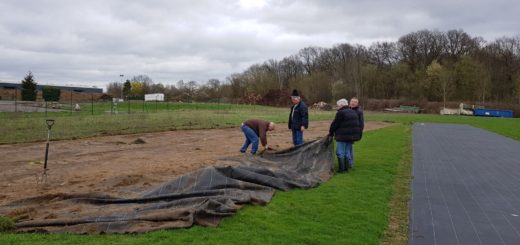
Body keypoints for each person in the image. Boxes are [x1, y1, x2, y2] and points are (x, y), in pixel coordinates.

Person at [329, 99, 361, 173]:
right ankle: (346, 169)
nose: (337, 107)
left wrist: (331, 132)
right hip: (351, 137)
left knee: (340, 152)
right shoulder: (353, 112)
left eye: (338, 105)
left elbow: (335, 124)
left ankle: (341, 170)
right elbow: (356, 125)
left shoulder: (341, 113)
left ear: (341, 105)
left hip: (342, 136)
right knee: (347, 152)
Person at [348, 97, 364, 168]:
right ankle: (348, 163)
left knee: (349, 148)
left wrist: (358, 133)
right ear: (349, 102)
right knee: (347, 147)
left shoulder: (359, 111)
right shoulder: (347, 109)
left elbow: (361, 124)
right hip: (346, 132)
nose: (353, 103)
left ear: (357, 103)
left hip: (352, 133)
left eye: (354, 102)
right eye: (352, 101)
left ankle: (350, 163)